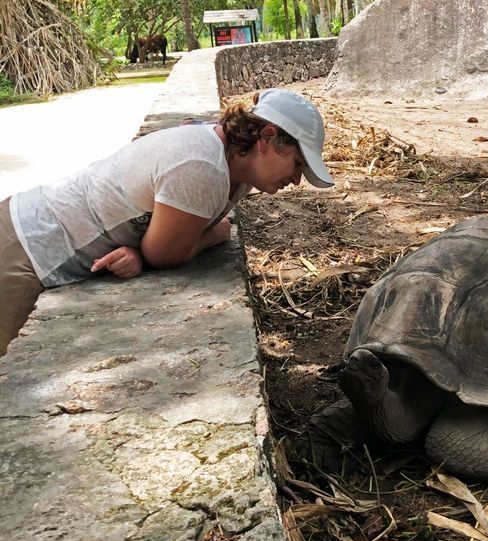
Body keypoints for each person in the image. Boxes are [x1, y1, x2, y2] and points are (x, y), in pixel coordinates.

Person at [0, 88, 334, 356]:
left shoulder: (236, 171)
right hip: (26, 245)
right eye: (297, 164)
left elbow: (174, 240)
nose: (296, 180)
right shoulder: (203, 167)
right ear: (268, 138)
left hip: (33, 236)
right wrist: (209, 237)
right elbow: (169, 253)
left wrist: (143, 252)